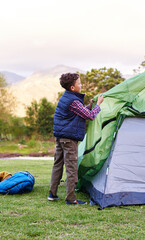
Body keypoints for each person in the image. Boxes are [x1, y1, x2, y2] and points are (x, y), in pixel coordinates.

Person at [48, 72, 104, 205]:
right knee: (72, 167)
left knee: (58, 164)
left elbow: (79, 113)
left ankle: (52, 193)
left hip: (60, 137)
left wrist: (89, 106)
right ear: (72, 87)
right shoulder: (74, 100)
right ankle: (71, 199)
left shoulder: (67, 97)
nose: (81, 85)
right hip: (69, 139)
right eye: (79, 83)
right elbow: (90, 116)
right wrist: (98, 105)